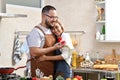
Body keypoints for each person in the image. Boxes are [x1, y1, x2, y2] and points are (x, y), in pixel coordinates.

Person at [26, 5, 65, 77]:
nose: (54, 19)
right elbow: (34, 52)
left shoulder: (52, 30)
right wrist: (54, 48)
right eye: (52, 17)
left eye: (56, 17)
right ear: (43, 16)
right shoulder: (36, 32)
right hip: (38, 69)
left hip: (51, 69)